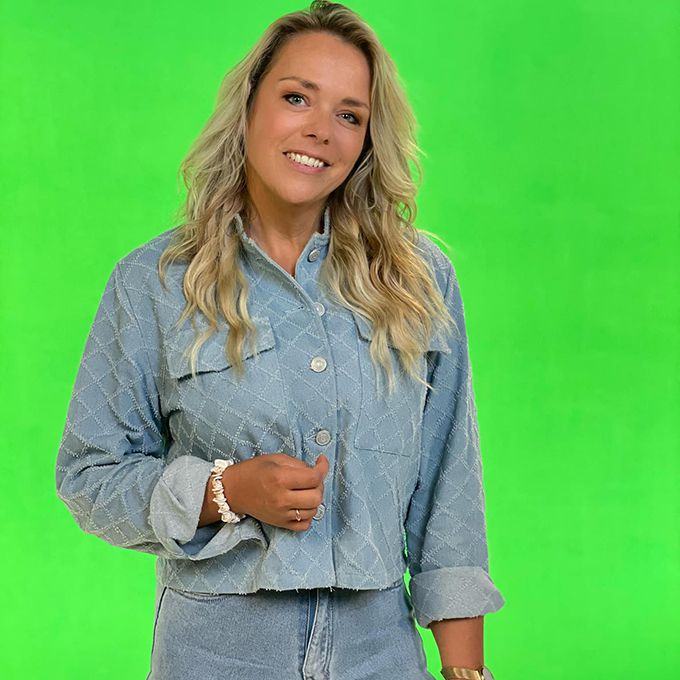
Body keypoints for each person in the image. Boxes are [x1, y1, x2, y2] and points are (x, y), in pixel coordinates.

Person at [55, 2, 505, 678]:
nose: (320, 130)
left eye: (349, 115)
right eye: (297, 97)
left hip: (380, 653)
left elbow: (450, 491)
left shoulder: (417, 279)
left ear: (367, 140)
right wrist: (226, 490)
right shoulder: (152, 284)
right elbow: (89, 476)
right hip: (212, 654)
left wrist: (465, 670)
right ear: (248, 108)